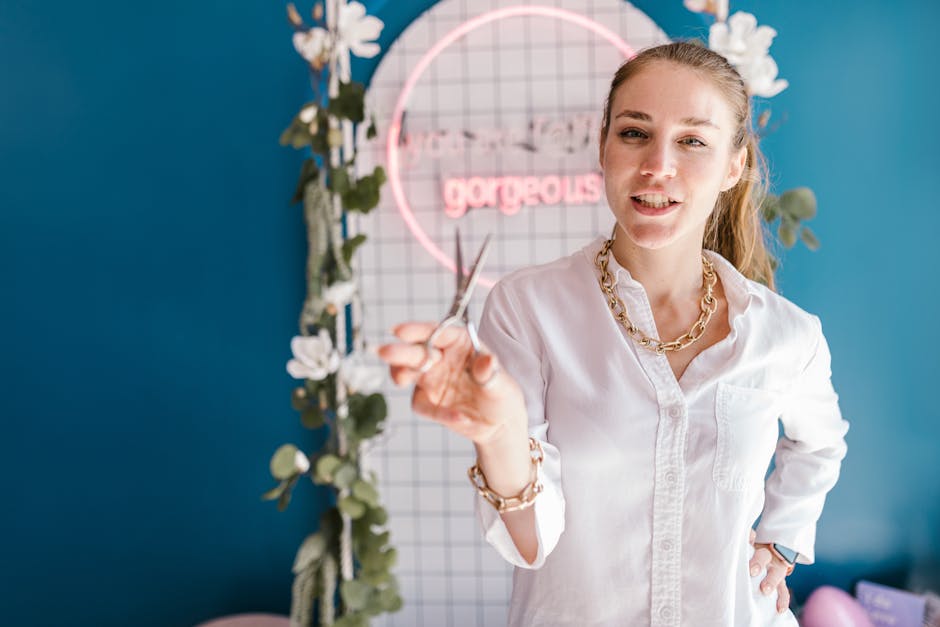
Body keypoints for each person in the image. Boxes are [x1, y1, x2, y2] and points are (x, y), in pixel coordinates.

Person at [378, 41, 848, 627]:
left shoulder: (786, 335)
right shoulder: (528, 309)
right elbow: (532, 542)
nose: (657, 165)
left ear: (735, 165)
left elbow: (821, 442)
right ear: (603, 149)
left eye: (692, 141)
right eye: (633, 133)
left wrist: (781, 537)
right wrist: (499, 435)